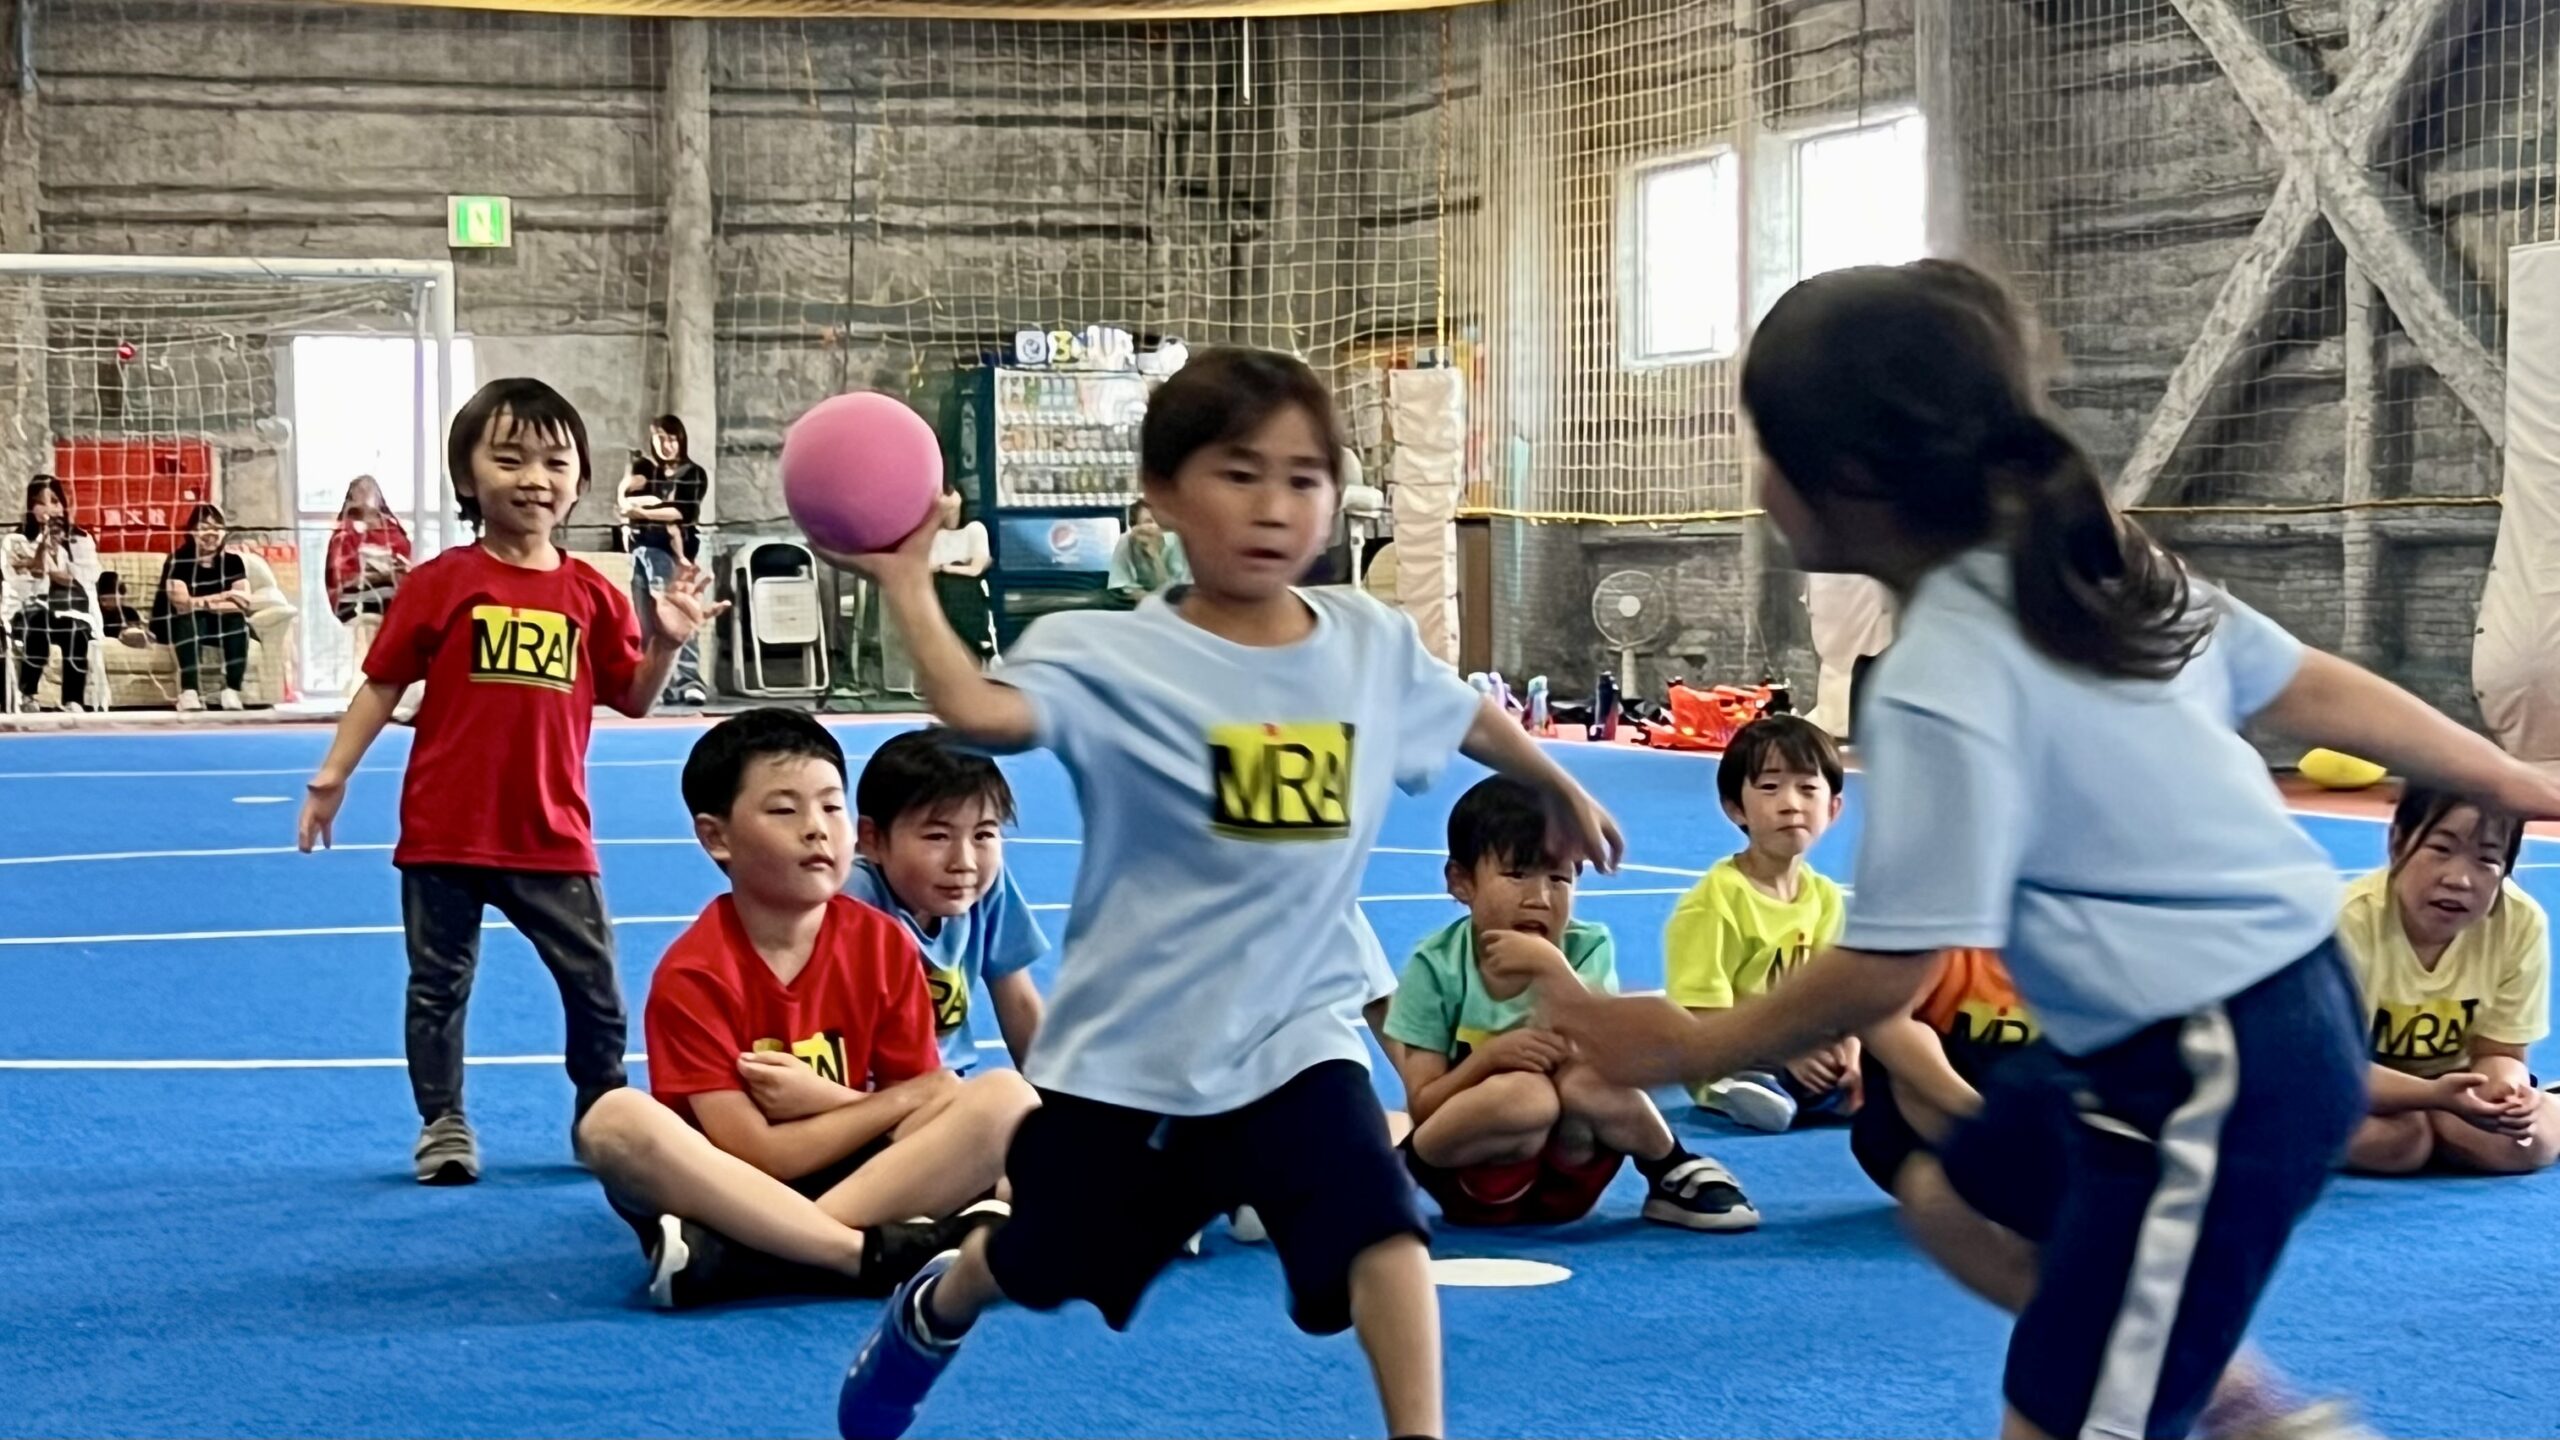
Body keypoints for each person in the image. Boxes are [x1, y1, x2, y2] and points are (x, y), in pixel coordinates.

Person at [1502, 259, 2560, 1440]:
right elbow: (2306, 684)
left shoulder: (1956, 666)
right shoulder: (2093, 574)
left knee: (2059, 1422)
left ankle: (2164, 1381)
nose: (1755, 476)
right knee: (1952, 1193)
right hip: (2196, 1041)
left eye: (1762, 444)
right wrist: (2506, 770)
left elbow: (1882, 973)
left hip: (2219, 1057)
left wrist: (1693, 1043)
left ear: (1841, 475)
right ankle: (2210, 1386)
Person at [828, 347, 1623, 1440]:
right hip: (1134, 1054)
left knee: (1380, 1225)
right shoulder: (1111, 652)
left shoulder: (1366, 641)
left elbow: (1463, 711)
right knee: (1046, 1257)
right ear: (1161, 493)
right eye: (1237, 473)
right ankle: (943, 1300)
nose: (1273, 506)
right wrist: (911, 581)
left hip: (1298, 1030)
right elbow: (976, 710)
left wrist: (1553, 781)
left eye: (1304, 479)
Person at [295, 377, 724, 1186]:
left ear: (581, 481)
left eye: (556, 461)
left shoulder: (593, 593)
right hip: (445, 833)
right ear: (468, 477)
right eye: (510, 458)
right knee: (437, 988)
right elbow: (382, 684)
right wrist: (332, 776)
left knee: (596, 991)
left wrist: (665, 642)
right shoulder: (440, 583)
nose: (535, 477)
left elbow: (630, 696)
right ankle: (444, 1122)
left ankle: (601, 1109)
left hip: (550, 833)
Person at [574, 709, 1033, 1309]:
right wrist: (897, 1101)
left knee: (1009, 1099)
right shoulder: (695, 973)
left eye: (831, 806)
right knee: (613, 1122)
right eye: (785, 810)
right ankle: (861, 1255)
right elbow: (755, 1153)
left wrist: (884, 1103)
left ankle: (745, 1257)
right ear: (717, 837)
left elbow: (922, 1113)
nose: (816, 829)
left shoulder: (882, 943)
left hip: (859, 1176)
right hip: (729, 1184)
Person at [1385, 774, 1756, 1233]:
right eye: (1517, 874)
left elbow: (1605, 1055)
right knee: (1526, 1097)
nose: (1539, 898)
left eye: (1559, 878)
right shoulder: (1435, 967)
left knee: (1588, 1080)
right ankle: (1395, 1179)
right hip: (1476, 1179)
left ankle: (1670, 1169)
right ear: (1461, 882)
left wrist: (1554, 972)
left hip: (1569, 1177)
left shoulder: (1586, 948)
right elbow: (1424, 1106)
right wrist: (1491, 1060)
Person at [2338, 785, 2558, 1174]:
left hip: (2455, 1088)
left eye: (2487, 859)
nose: (2459, 879)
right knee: (2396, 1145)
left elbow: (2500, 1052)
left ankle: (2549, 1103)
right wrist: (2432, 1095)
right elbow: (2331, 1067)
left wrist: (2509, 1092)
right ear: (2397, 843)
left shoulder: (2520, 923)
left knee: (2524, 1146)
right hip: (2345, 1086)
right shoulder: (2344, 923)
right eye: (2441, 849)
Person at [1661, 714, 1855, 1131]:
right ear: (1735, 807)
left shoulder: (1824, 897)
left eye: (1808, 789)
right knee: (1767, 1096)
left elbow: (1829, 1000)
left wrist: (1848, 1049)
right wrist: (1784, 1050)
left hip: (1798, 1045)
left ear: (1833, 807)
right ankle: (1732, 1090)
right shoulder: (1714, 903)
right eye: (1769, 787)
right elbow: (1699, 1015)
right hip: (1726, 1049)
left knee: (1886, 1061)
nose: (1791, 804)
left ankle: (1821, 1089)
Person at [843, 727, 1047, 1073]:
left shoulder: (985, 886)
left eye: (983, 834)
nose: (964, 862)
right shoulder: (849, 901)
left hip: (944, 1093)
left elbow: (1021, 1003)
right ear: (872, 839)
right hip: (859, 1096)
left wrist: (1065, 1110)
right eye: (937, 836)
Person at [623, 413, 711, 707]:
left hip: (672, 555)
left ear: (681, 440)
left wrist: (644, 513)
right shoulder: (646, 470)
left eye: (671, 439)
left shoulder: (693, 473)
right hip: (641, 551)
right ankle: (660, 684)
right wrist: (627, 493)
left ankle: (689, 681)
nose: (666, 445)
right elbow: (623, 503)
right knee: (645, 622)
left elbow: (681, 513)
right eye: (660, 439)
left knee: (676, 616)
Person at [5, 475, 102, 713]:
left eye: (55, 501)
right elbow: (23, 587)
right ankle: (29, 695)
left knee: (76, 628)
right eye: (41, 502)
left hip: (70, 610)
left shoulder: (80, 539)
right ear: (31, 507)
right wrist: (41, 552)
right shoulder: (15, 541)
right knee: (38, 618)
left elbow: (85, 579)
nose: (50, 508)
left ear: (63, 505)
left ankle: (73, 700)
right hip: (28, 613)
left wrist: (53, 560)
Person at [151, 502, 252, 712]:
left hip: (217, 624)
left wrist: (202, 602)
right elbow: (181, 604)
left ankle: (231, 691)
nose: (211, 533)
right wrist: (224, 596)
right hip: (179, 625)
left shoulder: (233, 562)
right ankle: (189, 692)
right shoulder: (178, 560)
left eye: (216, 527)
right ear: (192, 531)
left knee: (238, 621)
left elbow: (243, 602)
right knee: (192, 618)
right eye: (204, 527)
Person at [324, 474, 412, 688]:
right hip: (355, 598)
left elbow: (405, 559)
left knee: (411, 617)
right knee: (369, 621)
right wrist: (370, 573)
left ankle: (403, 687)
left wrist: (399, 570)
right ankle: (365, 683)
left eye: (368, 491)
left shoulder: (392, 529)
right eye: (359, 492)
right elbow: (339, 572)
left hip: (391, 594)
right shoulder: (345, 531)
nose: (364, 496)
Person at [925, 485, 995, 660]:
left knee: (955, 588)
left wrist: (948, 567)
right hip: (941, 589)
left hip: (966, 590)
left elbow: (975, 569)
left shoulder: (975, 528)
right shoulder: (934, 534)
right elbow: (928, 565)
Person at [1105, 497, 1188, 605]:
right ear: (1135, 528)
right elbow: (1118, 585)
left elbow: (1174, 593)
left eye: (1159, 521)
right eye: (1148, 522)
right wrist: (1145, 597)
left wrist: (1154, 556)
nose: (1155, 526)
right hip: (1139, 604)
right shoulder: (1127, 541)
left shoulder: (1178, 541)